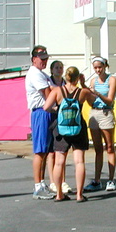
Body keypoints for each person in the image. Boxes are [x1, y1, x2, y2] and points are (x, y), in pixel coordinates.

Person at [42, 67, 95, 202]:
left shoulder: (57, 91)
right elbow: (93, 102)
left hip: (61, 129)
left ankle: (59, 194)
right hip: (78, 128)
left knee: (59, 162)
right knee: (79, 161)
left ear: (66, 77)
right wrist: (84, 85)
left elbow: (46, 107)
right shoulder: (82, 92)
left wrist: (58, 110)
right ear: (78, 78)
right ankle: (79, 195)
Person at [25, 46, 56, 200]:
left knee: (45, 151)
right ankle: (38, 186)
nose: (44, 61)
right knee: (40, 151)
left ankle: (42, 183)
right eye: (41, 58)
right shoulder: (35, 74)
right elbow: (48, 94)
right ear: (34, 59)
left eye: (45, 58)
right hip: (41, 112)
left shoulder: (42, 74)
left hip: (47, 112)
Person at [86, 56, 116, 193]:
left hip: (106, 113)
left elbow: (110, 100)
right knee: (98, 149)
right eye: (96, 67)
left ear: (105, 66)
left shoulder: (112, 80)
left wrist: (97, 93)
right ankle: (97, 180)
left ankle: (111, 179)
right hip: (95, 112)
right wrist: (89, 94)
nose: (98, 70)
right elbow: (90, 101)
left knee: (109, 147)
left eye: (100, 67)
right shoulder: (93, 81)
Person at [46, 60, 71, 196]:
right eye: (56, 67)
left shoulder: (65, 84)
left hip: (63, 118)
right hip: (51, 116)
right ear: (52, 70)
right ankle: (52, 181)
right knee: (51, 151)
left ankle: (62, 180)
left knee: (62, 150)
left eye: (61, 67)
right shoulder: (48, 83)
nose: (59, 69)